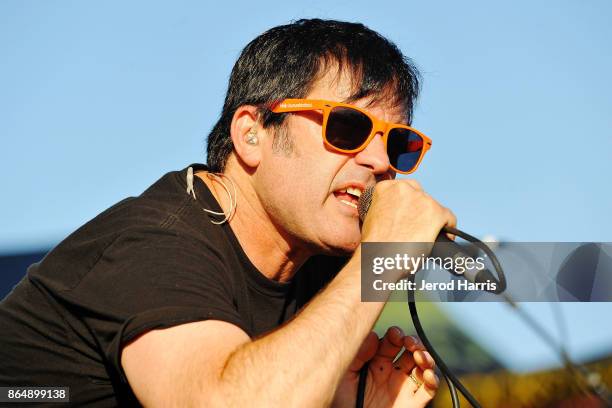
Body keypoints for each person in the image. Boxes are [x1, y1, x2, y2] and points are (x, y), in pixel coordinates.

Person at [0, 19, 457, 406]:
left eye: (398, 143)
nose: (379, 162)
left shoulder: (321, 271)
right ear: (251, 133)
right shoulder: (156, 245)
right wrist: (378, 261)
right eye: (347, 126)